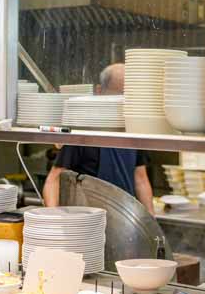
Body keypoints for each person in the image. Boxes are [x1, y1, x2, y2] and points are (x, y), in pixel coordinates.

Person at [42, 64, 155, 213]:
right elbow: (54, 179)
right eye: (118, 94)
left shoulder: (132, 130)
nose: (122, 101)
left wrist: (151, 218)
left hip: (125, 219)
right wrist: (52, 217)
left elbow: (140, 178)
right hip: (88, 221)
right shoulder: (84, 132)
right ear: (99, 91)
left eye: (128, 96)